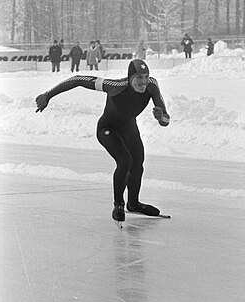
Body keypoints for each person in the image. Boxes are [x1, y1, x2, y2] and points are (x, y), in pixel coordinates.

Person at [35, 59, 170, 224]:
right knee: (125, 161)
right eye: (139, 77)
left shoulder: (152, 85)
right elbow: (78, 79)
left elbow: (166, 120)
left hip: (129, 129)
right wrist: (48, 95)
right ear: (129, 78)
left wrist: (161, 117)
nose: (143, 81)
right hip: (107, 129)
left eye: (146, 77)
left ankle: (133, 204)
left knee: (137, 166)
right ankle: (118, 205)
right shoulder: (115, 86)